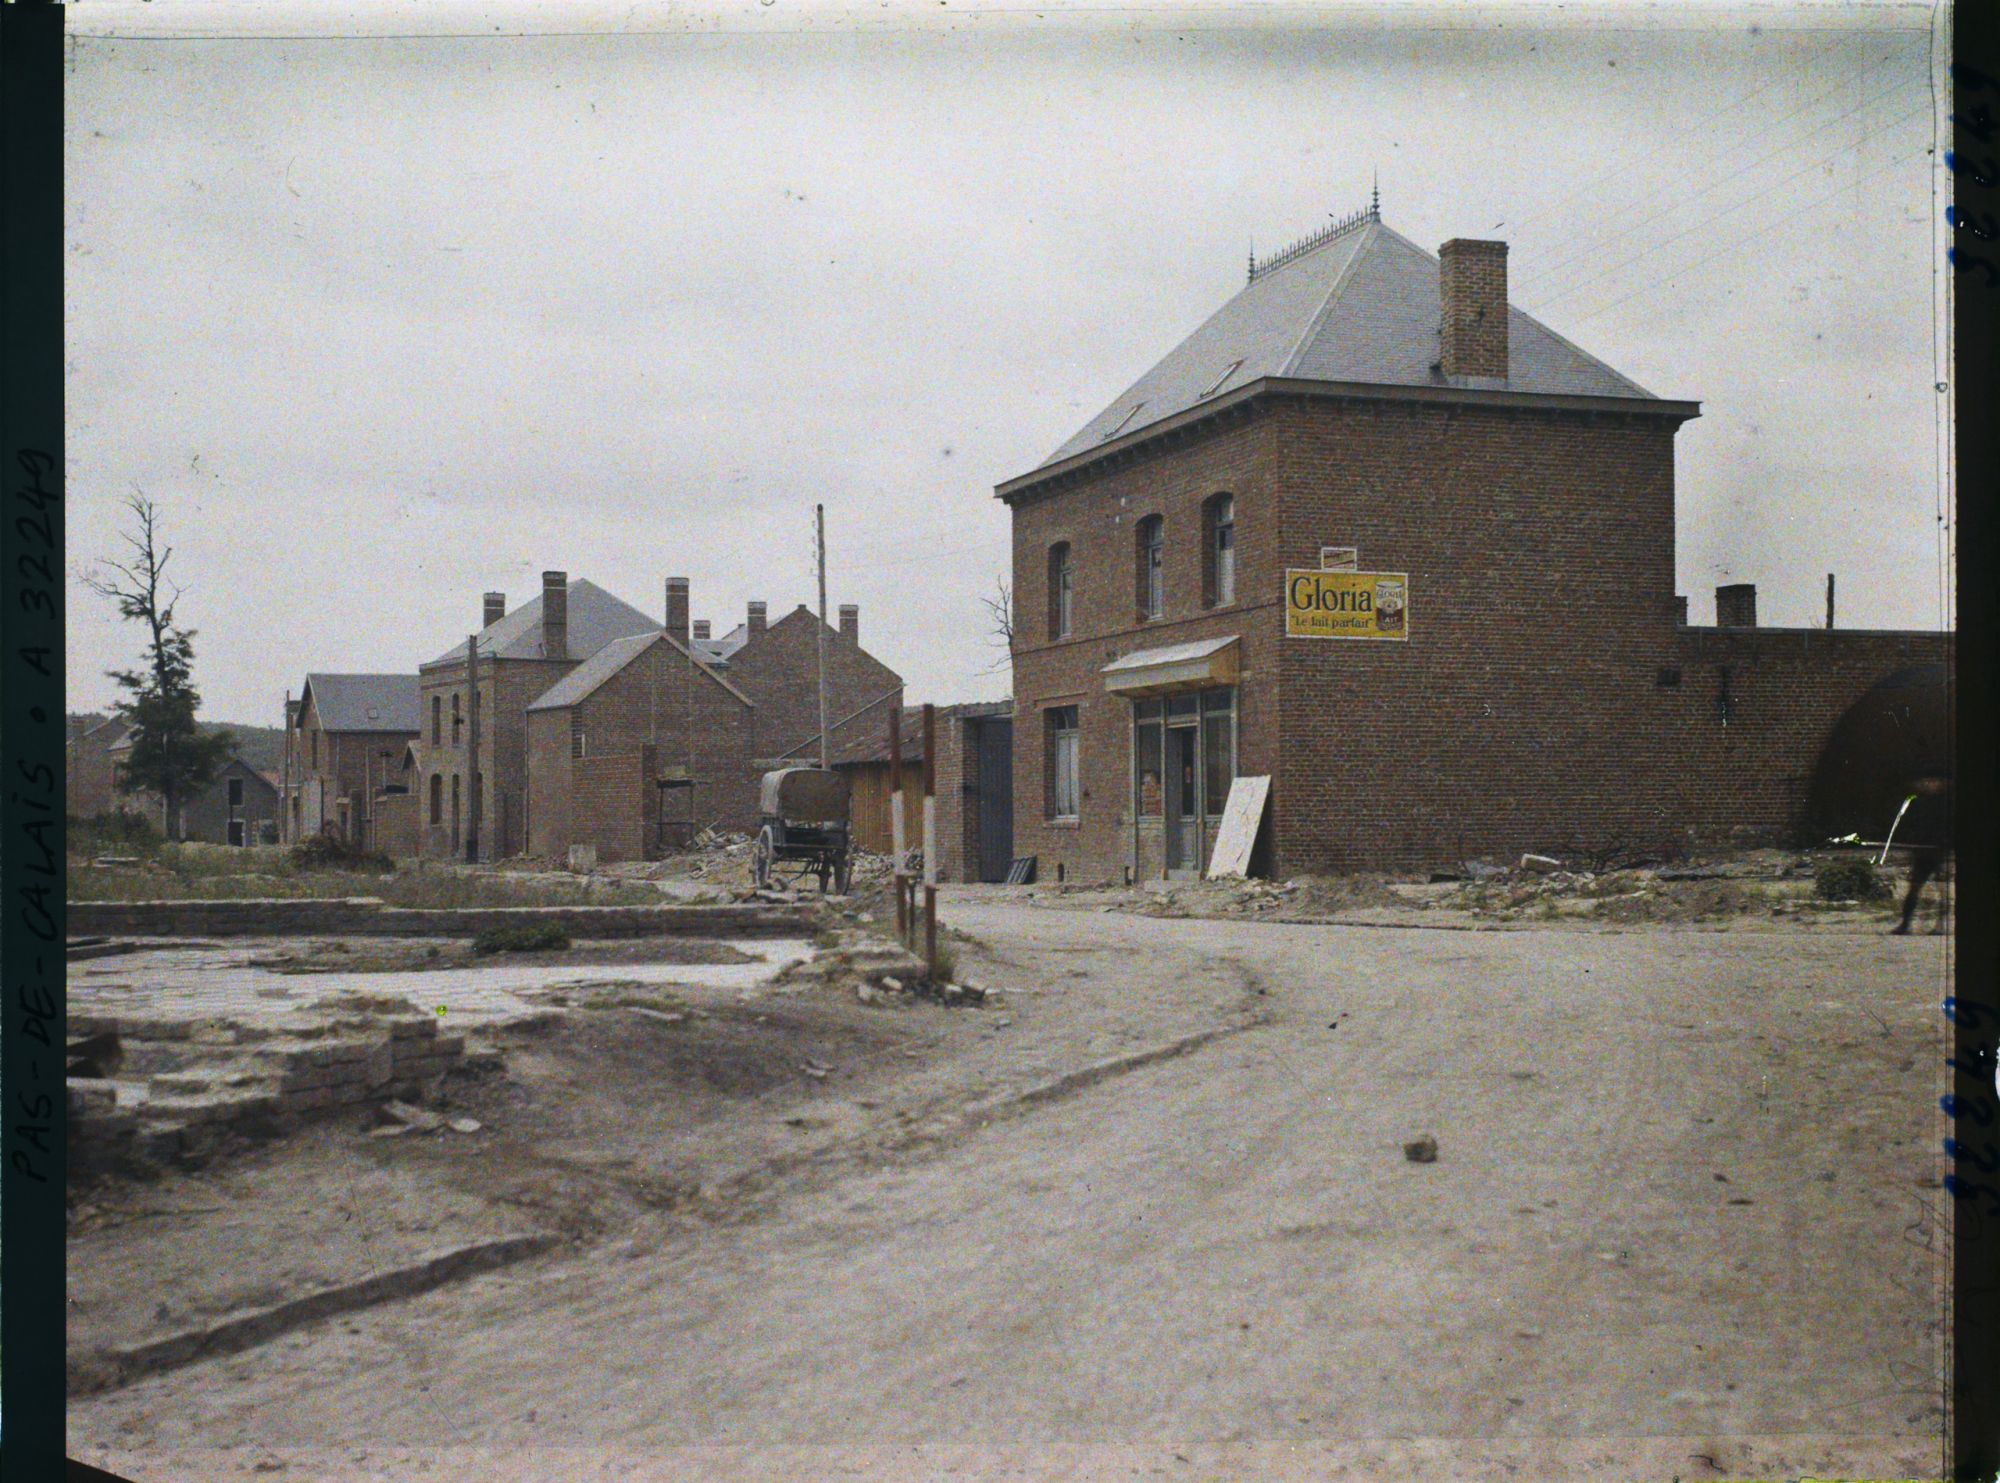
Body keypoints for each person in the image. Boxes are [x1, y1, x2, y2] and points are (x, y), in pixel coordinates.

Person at [1891, 773, 1952, 935]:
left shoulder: (1946, 805)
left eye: (1932, 781)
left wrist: (1946, 847)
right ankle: (1905, 924)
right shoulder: (1917, 803)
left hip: (1939, 852)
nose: (1928, 784)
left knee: (1942, 890)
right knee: (1914, 888)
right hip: (1922, 852)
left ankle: (1939, 926)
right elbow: (1911, 826)